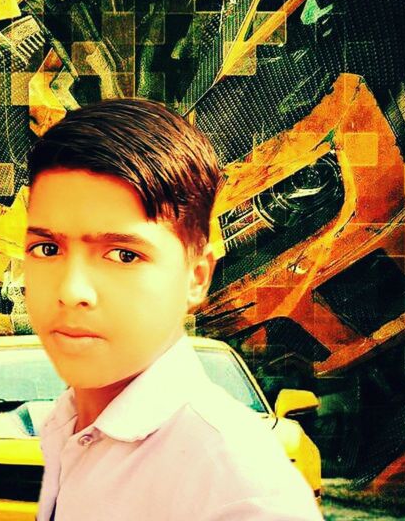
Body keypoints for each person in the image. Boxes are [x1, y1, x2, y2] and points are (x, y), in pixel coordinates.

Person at [23, 99, 323, 520]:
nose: (72, 291)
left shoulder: (241, 491)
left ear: (196, 278)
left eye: (123, 255)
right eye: (47, 248)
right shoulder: (67, 422)